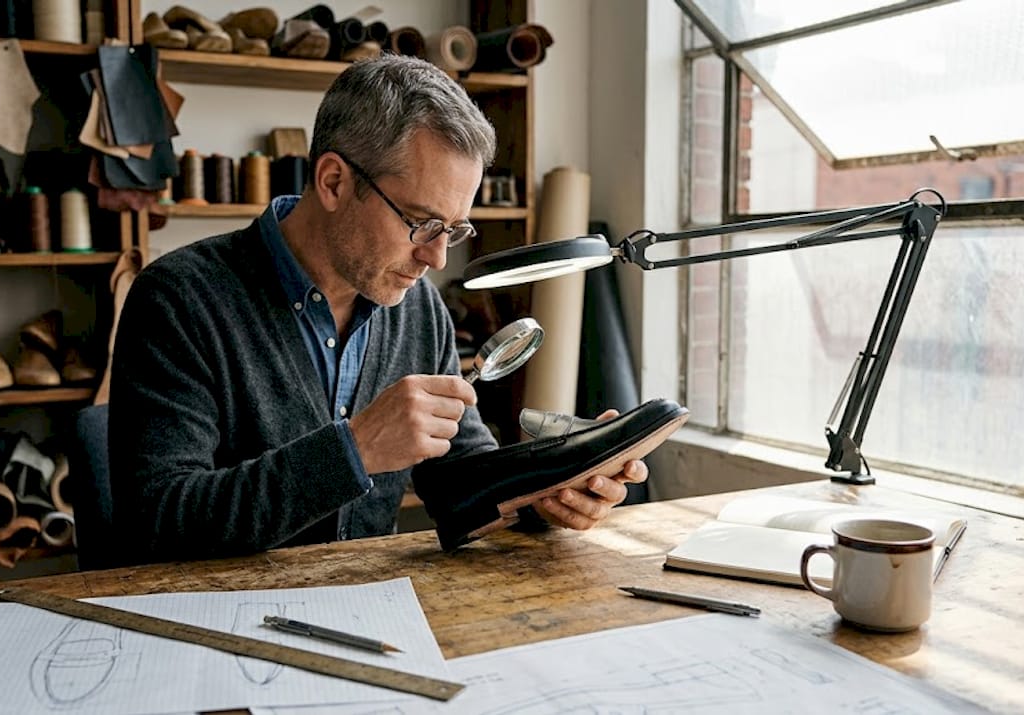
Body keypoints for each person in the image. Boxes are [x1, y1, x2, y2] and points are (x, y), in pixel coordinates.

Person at [110, 55, 648, 562]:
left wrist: (546, 489)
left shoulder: (419, 310)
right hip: (209, 630)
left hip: (366, 613)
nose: (436, 257)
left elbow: (461, 485)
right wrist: (355, 450)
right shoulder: (179, 299)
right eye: (421, 222)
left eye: (454, 229)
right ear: (334, 182)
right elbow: (159, 519)